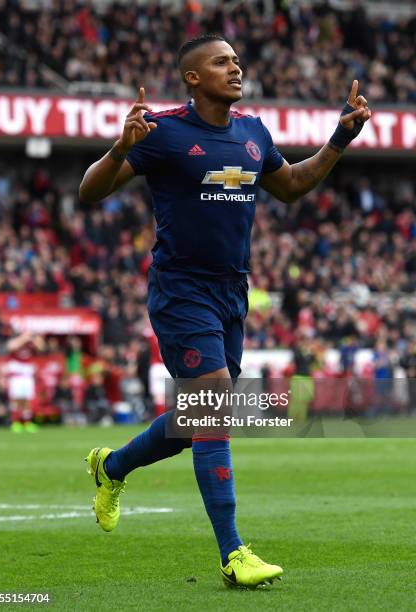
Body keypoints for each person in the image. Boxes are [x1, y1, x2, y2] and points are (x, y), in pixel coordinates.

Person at [79, 34, 371, 588]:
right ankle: (234, 553)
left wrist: (340, 138)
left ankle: (111, 466)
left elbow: (292, 185)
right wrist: (120, 148)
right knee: (212, 402)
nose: (235, 67)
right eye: (221, 61)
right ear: (193, 78)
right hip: (181, 289)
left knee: (199, 419)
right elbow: (90, 192)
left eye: (237, 59)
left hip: (232, 291)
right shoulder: (162, 132)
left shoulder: (253, 132)